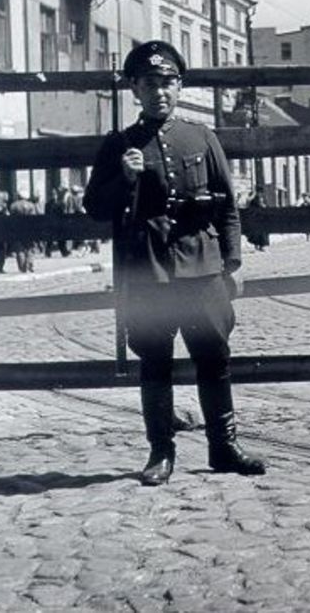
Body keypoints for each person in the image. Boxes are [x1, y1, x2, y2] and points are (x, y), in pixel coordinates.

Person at [84, 41, 266, 486]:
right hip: (150, 271)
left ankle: (223, 447)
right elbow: (94, 206)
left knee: (214, 357)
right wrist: (122, 177)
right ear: (134, 89)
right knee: (155, 361)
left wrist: (231, 262)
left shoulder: (202, 138)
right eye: (149, 84)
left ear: (179, 85)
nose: (159, 92)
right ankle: (160, 453)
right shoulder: (119, 144)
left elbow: (226, 207)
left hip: (203, 269)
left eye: (167, 82)